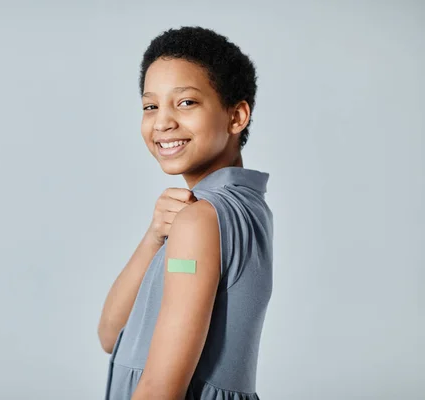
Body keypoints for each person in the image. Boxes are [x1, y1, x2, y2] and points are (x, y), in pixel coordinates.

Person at [97, 26, 273, 400]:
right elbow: (111, 335)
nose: (162, 122)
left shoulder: (199, 220)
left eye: (186, 102)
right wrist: (153, 238)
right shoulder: (244, 203)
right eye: (150, 106)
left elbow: (161, 389)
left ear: (236, 116)